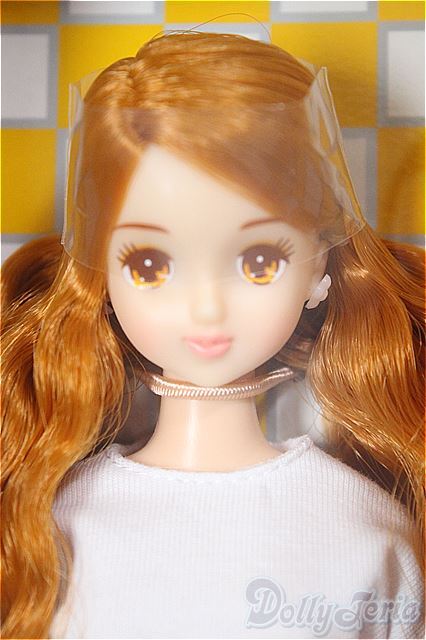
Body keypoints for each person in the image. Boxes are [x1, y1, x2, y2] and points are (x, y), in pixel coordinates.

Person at [1, 31, 424, 639]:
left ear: (319, 267)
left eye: (260, 261)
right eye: (150, 265)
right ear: (100, 275)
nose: (206, 308)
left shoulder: (363, 532)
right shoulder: (46, 534)